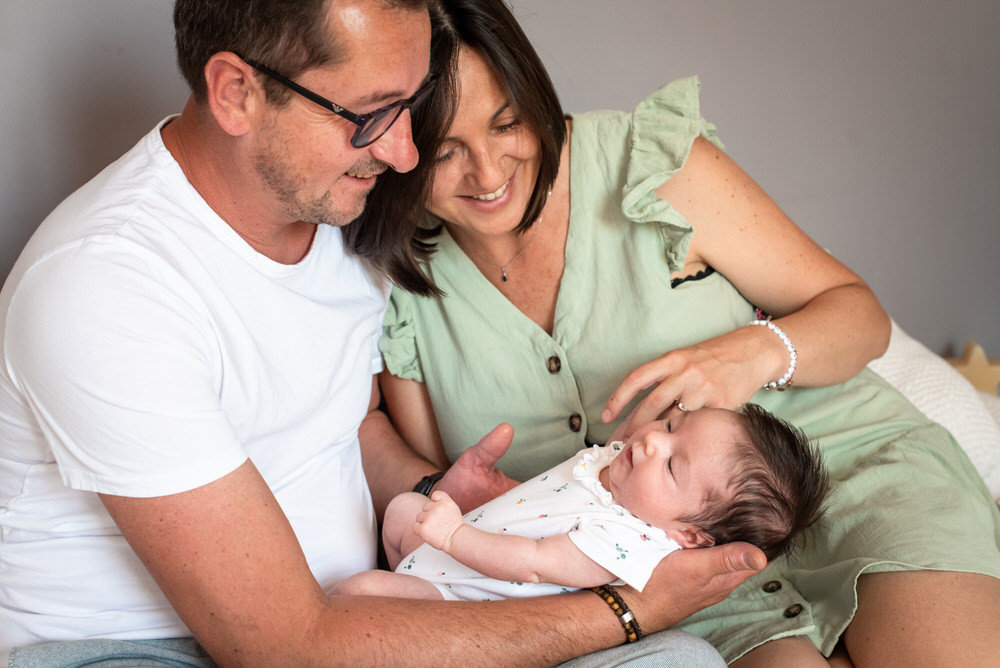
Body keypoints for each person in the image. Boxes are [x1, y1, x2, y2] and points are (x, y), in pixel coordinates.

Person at [0, 1, 766, 666]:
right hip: (143, 650)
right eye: (370, 114)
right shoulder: (106, 288)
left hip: (358, 614)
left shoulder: (343, 213)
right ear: (237, 93)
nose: (404, 153)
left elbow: (346, 418)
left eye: (409, 108)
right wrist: (628, 610)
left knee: (681, 661)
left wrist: (428, 489)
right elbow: (284, 649)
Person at [372, 0, 1000, 665]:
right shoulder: (406, 286)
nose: (491, 172)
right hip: (669, 579)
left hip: (854, 475)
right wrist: (447, 496)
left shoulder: (648, 167)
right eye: (447, 151)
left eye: (509, 123)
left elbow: (859, 316)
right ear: (399, 147)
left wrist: (752, 354)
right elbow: (410, 460)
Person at [336, 403, 828, 603]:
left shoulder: (624, 543)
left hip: (457, 602)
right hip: (455, 552)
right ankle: (408, 569)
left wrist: (454, 535)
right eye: (675, 426)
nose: (654, 442)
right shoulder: (621, 468)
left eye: (674, 466)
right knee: (402, 509)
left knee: (359, 591)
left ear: (689, 536)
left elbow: (531, 564)